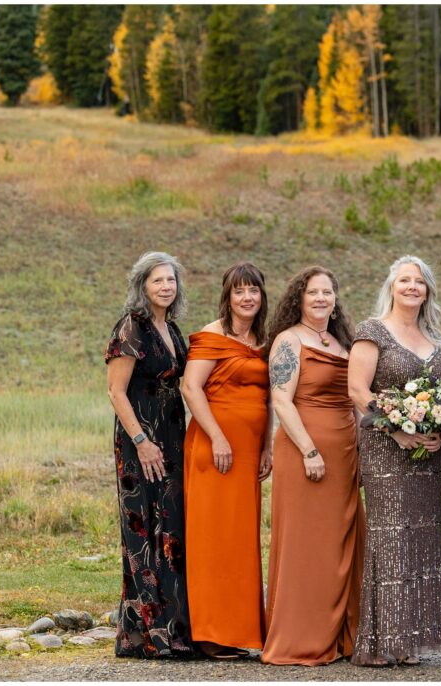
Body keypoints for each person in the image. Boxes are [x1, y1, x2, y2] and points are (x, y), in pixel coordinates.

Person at [348, 255, 441, 666]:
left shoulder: (436, 338)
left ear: (427, 291)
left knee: (421, 541)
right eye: (405, 280)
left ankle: (409, 641)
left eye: (419, 282)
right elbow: (357, 389)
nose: (412, 287)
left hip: (428, 457)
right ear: (392, 286)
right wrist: (397, 430)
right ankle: (379, 643)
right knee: (390, 539)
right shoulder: (373, 331)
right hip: (386, 451)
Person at [261, 266, 366, 666]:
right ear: (299, 299)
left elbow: (354, 400)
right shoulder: (289, 341)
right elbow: (281, 401)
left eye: (327, 292)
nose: (321, 298)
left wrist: (362, 450)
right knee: (308, 544)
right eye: (313, 292)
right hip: (305, 452)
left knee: (343, 540)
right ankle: (302, 637)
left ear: (335, 300)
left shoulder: (343, 342)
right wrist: (309, 450)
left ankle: (343, 635)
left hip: (345, 453)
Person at [180, 262, 272, 659]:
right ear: (228, 296)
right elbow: (191, 387)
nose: (247, 297)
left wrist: (267, 447)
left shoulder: (265, 339)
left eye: (253, 290)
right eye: (239, 291)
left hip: (249, 450)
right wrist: (217, 436)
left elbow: (268, 398)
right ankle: (209, 632)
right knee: (213, 537)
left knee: (240, 538)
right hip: (215, 448)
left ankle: (238, 629)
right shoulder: (212, 335)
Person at [105, 251, 193, 658]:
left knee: (169, 528)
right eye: (158, 280)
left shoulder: (171, 328)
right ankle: (153, 634)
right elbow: (115, 391)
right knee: (144, 530)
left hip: (172, 437)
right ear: (142, 285)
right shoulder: (132, 327)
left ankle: (168, 629)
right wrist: (141, 441)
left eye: (171, 280)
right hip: (140, 440)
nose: (165, 287)